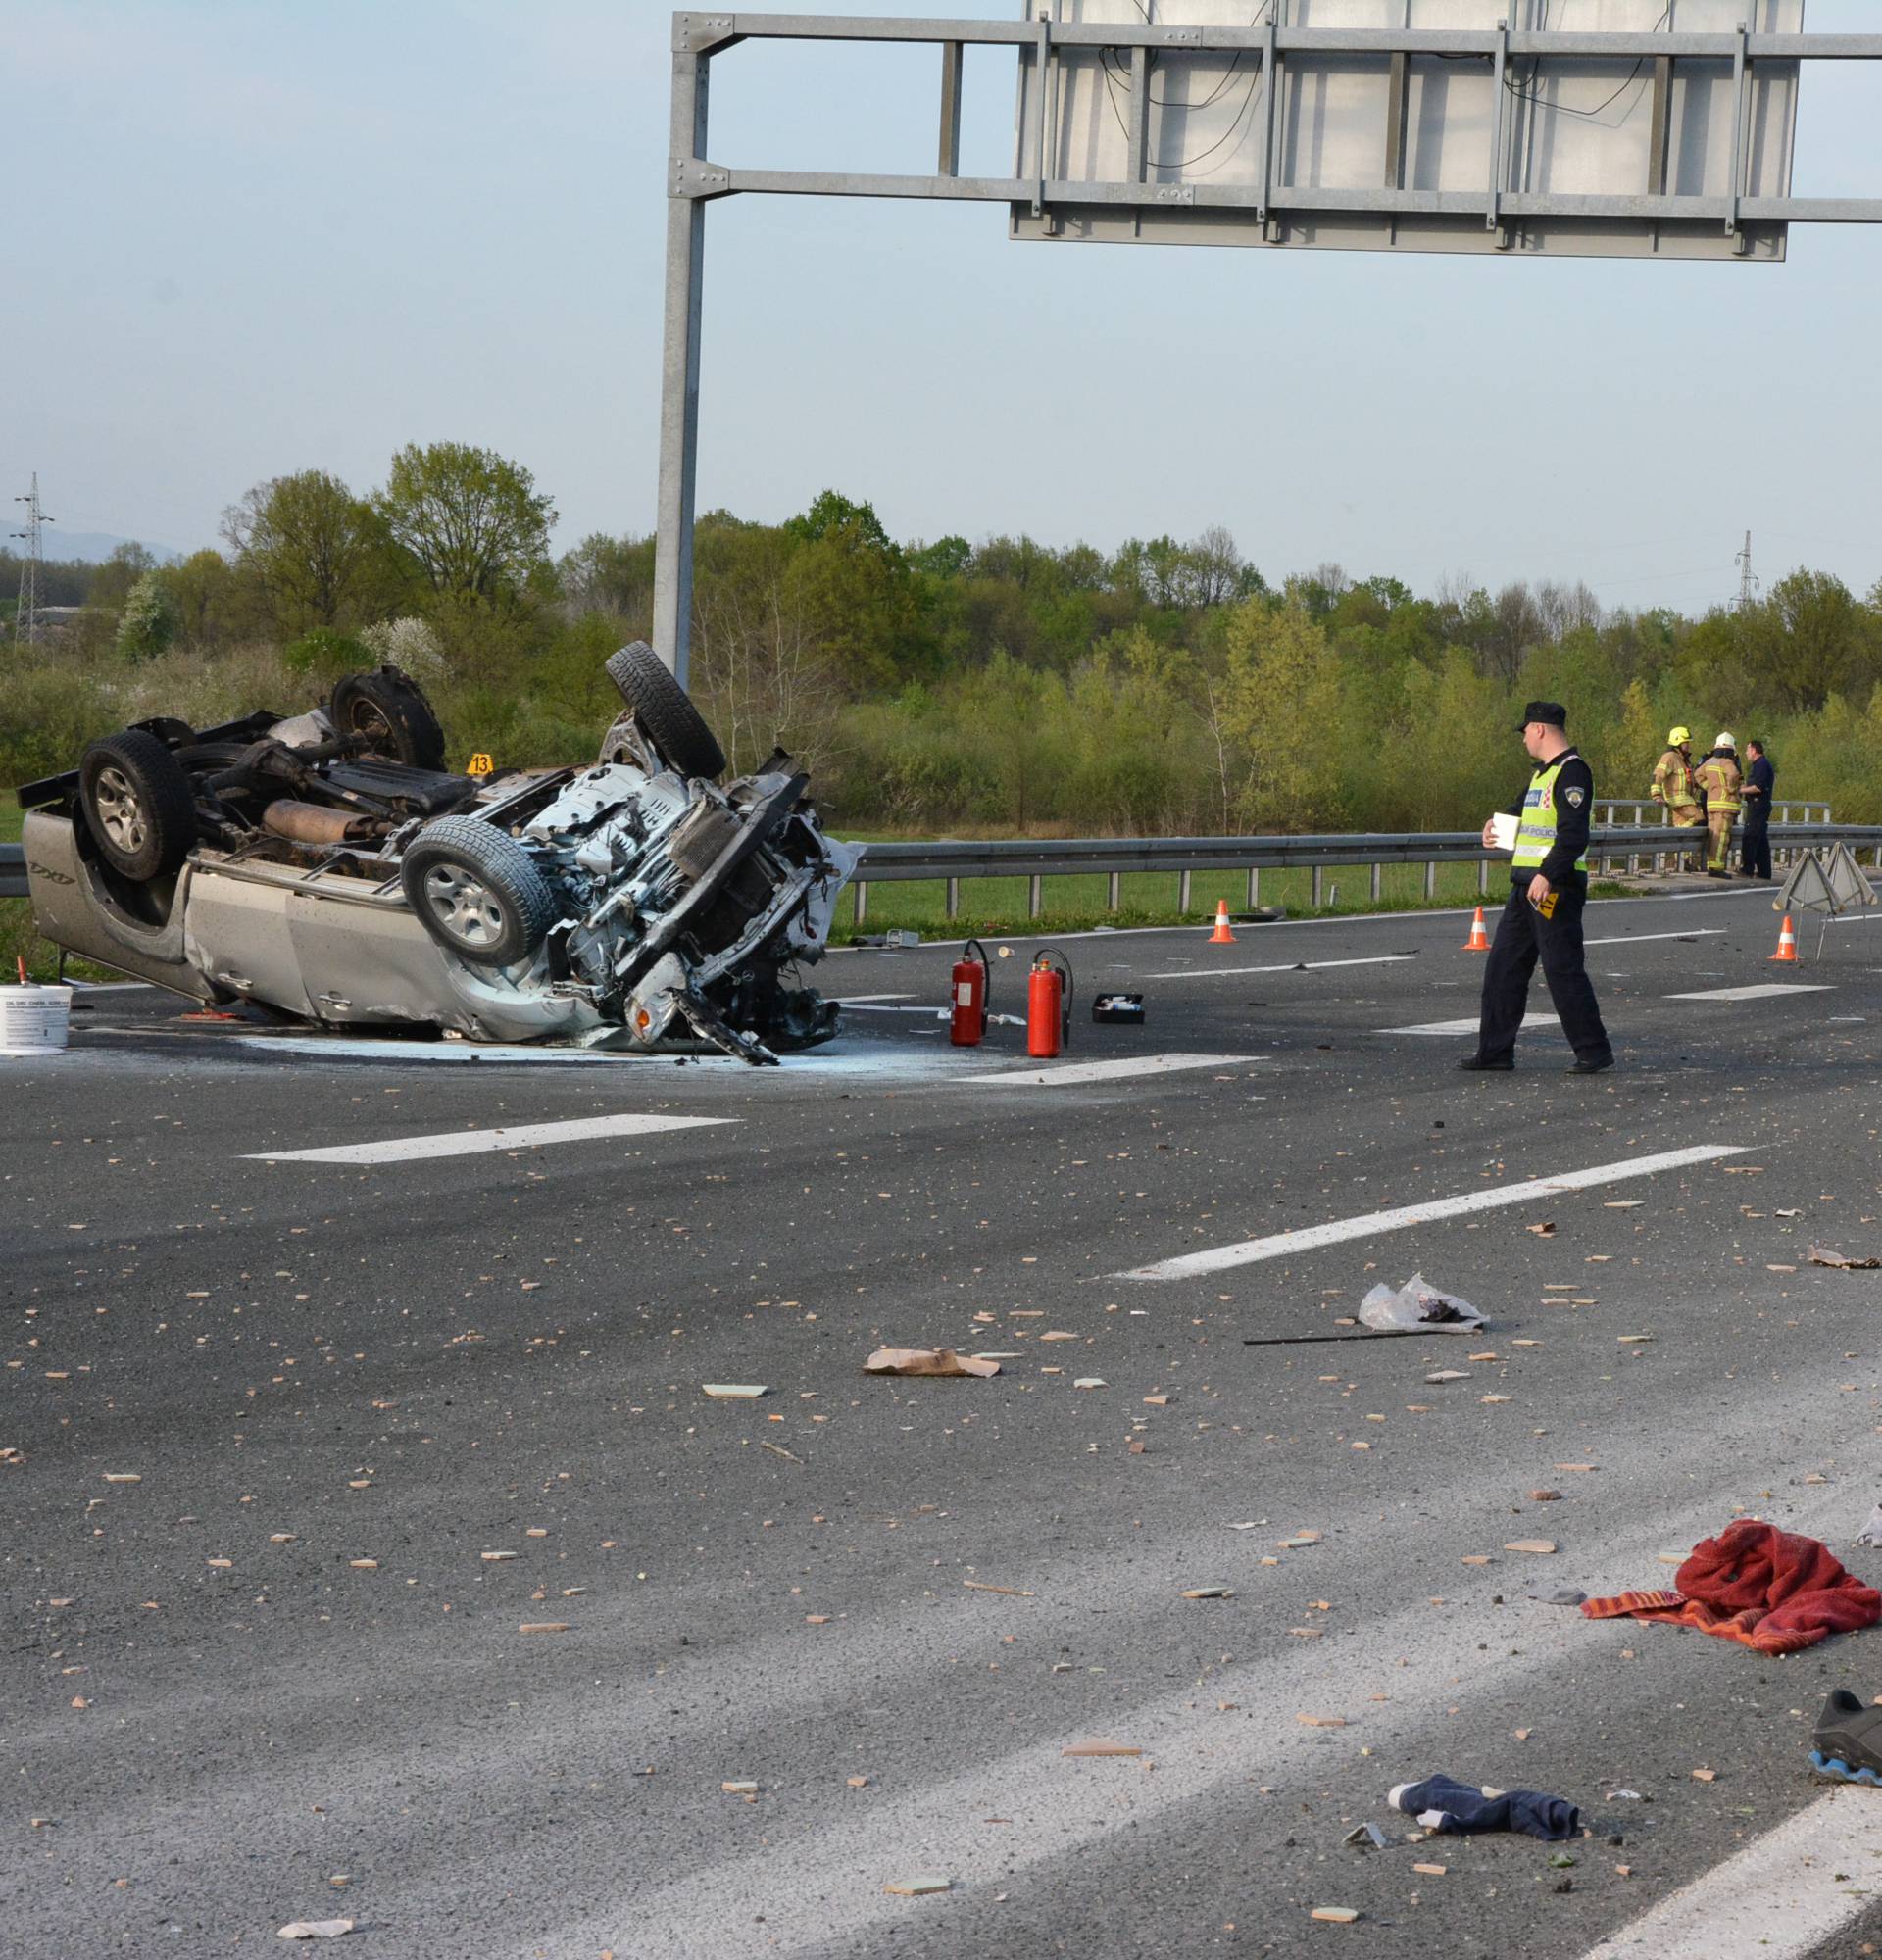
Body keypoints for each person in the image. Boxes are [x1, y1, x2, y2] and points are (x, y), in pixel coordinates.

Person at [1461, 701, 1614, 1076]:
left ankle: (1593, 1051)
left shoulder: (1572, 773)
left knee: (1562, 971)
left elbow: (1574, 835)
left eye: (1526, 730)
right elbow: (1520, 813)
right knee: (1503, 970)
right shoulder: (1540, 776)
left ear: (1541, 729)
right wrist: (1492, 826)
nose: (1524, 738)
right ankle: (1495, 1052)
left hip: (1553, 889)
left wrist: (1548, 874)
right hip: (1525, 888)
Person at [1694, 733, 1743, 880]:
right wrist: (1731, 789)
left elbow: (1697, 775)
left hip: (1711, 805)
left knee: (1713, 835)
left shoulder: (1710, 762)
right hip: (1725, 805)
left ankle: (1712, 864)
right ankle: (1717, 868)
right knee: (1722, 837)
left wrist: (1710, 787)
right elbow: (1734, 775)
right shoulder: (1727, 762)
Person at [1650, 727, 1704, 834]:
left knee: (1680, 827)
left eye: (1688, 742)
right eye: (1685, 742)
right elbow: (1658, 775)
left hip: (1686, 800)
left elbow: (1691, 780)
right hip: (1678, 800)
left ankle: (1680, 850)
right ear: (1677, 741)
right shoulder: (1670, 757)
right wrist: (1656, 795)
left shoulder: (1684, 760)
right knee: (1699, 818)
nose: (1688, 745)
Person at [1739, 738, 1774, 880]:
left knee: (1750, 837)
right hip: (1759, 805)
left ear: (1753, 750)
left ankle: (1747, 869)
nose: (1746, 753)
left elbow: (1758, 787)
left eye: (1747, 750)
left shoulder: (1761, 765)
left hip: (1758, 806)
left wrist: (1741, 790)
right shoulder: (1761, 764)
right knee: (1761, 840)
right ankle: (1765, 872)